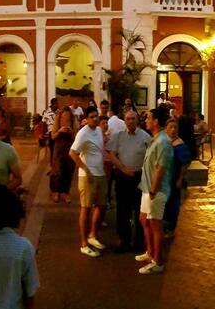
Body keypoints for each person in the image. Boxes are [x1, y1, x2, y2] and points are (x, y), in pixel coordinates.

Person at [105, 110, 150, 253]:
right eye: (128, 119)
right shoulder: (118, 136)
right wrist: (123, 169)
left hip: (139, 177)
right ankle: (124, 241)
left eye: (133, 118)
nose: (131, 121)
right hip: (123, 177)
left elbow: (151, 156)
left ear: (138, 120)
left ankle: (139, 242)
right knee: (123, 210)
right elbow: (111, 154)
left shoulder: (145, 136)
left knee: (139, 210)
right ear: (124, 121)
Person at [136, 107, 174, 275]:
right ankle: (150, 252)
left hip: (156, 190)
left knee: (155, 224)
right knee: (144, 219)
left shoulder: (163, 141)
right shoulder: (155, 139)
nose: (146, 120)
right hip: (147, 188)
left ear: (156, 121)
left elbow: (161, 168)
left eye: (148, 118)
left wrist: (153, 190)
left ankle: (157, 261)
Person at [69, 108, 108, 258]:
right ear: (86, 118)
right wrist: (85, 168)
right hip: (88, 176)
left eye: (96, 116)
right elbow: (72, 153)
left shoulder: (98, 130)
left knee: (101, 205)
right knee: (86, 208)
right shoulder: (83, 133)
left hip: (100, 173)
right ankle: (84, 243)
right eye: (92, 117)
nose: (95, 119)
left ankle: (93, 234)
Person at [163, 115, 194, 237]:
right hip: (164, 178)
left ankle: (171, 228)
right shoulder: (164, 141)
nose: (173, 130)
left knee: (173, 203)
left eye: (175, 127)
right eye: (170, 127)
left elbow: (185, 163)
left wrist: (180, 178)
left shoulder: (179, 144)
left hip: (174, 178)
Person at [49, 107, 76, 204]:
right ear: (61, 115)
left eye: (68, 116)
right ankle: (56, 192)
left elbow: (76, 136)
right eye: (65, 115)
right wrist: (60, 131)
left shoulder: (73, 122)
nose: (66, 118)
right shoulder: (57, 121)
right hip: (59, 148)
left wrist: (71, 132)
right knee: (58, 171)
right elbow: (53, 136)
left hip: (69, 148)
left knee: (68, 170)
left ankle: (65, 193)